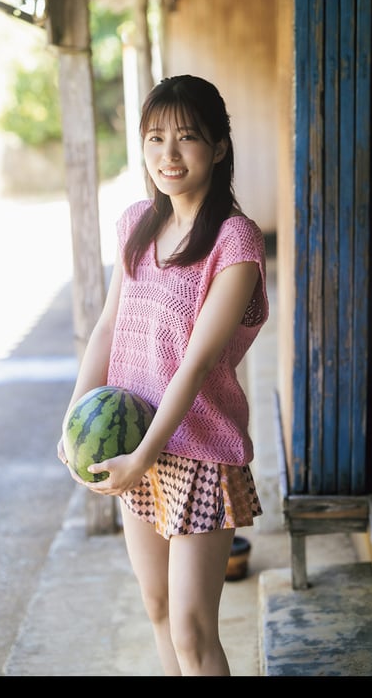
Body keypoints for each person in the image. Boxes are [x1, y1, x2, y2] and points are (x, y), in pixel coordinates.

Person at [57, 74, 269, 675]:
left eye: (186, 138)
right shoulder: (136, 225)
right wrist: (73, 426)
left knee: (192, 631)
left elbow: (198, 363)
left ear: (219, 147)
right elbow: (106, 330)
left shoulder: (236, 242)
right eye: (155, 138)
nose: (167, 155)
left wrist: (146, 454)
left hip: (197, 452)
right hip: (134, 446)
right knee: (155, 608)